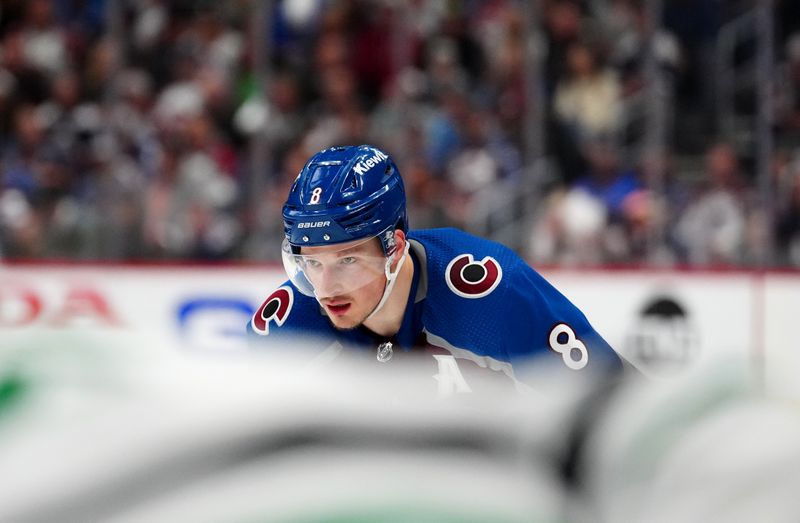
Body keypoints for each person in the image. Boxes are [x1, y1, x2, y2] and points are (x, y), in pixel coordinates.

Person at [248, 144, 627, 392]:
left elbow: (614, 403)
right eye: (311, 262)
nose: (326, 287)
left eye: (347, 260)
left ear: (394, 249)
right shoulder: (285, 327)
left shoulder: (492, 296)